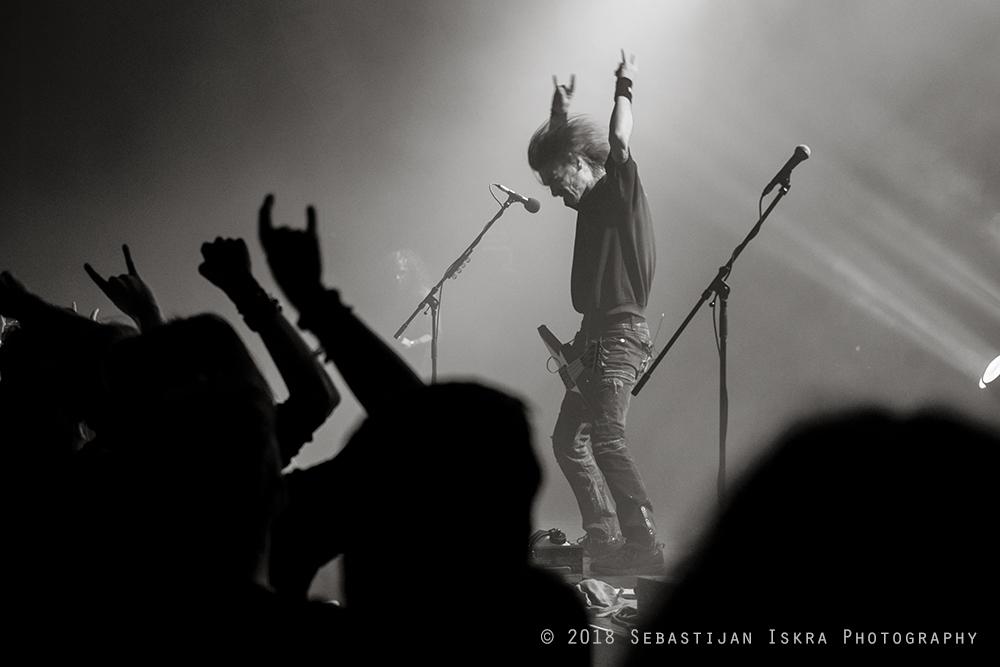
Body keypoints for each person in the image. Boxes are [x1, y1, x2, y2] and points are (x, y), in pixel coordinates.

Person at [527, 51, 661, 574]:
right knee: (568, 442)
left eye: (557, 181)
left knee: (607, 438)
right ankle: (604, 536)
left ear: (582, 164)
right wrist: (558, 117)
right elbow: (563, 154)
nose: (554, 193)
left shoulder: (618, 190)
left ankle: (644, 544)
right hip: (594, 337)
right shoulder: (589, 202)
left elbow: (619, 142)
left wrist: (623, 83)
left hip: (620, 336)